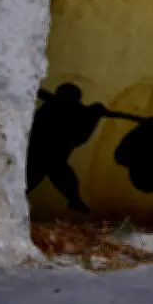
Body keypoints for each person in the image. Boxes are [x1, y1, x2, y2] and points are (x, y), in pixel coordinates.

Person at [26, 83, 109, 214]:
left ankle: (74, 199)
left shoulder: (77, 113)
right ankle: (74, 199)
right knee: (33, 178)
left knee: (59, 175)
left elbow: (79, 138)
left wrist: (94, 116)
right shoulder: (52, 108)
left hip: (52, 156)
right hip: (39, 153)